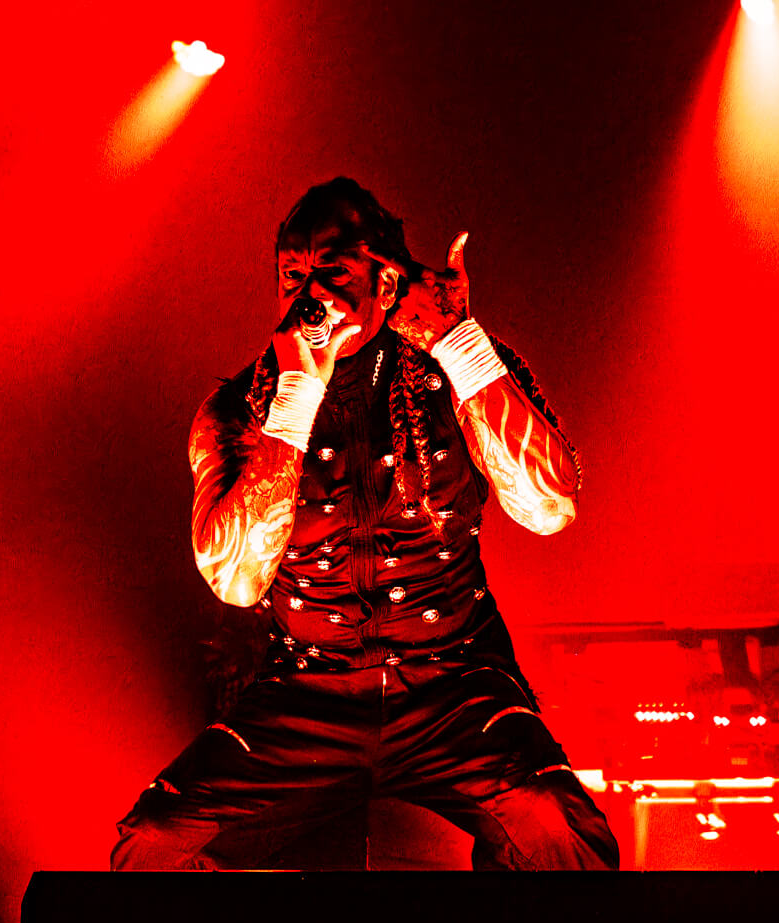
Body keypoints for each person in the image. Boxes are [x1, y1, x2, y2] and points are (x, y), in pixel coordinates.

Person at [111, 178, 618, 870]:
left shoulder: (451, 370)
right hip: (305, 698)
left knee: (561, 831)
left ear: (386, 281)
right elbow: (235, 581)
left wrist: (459, 344)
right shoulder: (238, 409)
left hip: (457, 687)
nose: (311, 294)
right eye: (293, 275)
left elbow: (550, 506)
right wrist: (296, 397)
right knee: (153, 842)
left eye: (334, 271)